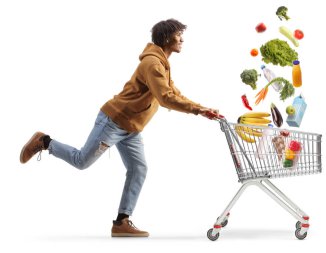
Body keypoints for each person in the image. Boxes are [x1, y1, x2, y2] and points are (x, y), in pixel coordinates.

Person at [19, 19, 220, 237]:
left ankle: (122, 222)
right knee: (81, 161)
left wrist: (202, 108)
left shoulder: (162, 63)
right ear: (165, 38)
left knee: (139, 168)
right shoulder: (153, 64)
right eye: (179, 34)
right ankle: (45, 142)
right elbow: (165, 98)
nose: (182, 39)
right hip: (114, 122)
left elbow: (173, 92)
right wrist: (198, 111)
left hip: (131, 127)